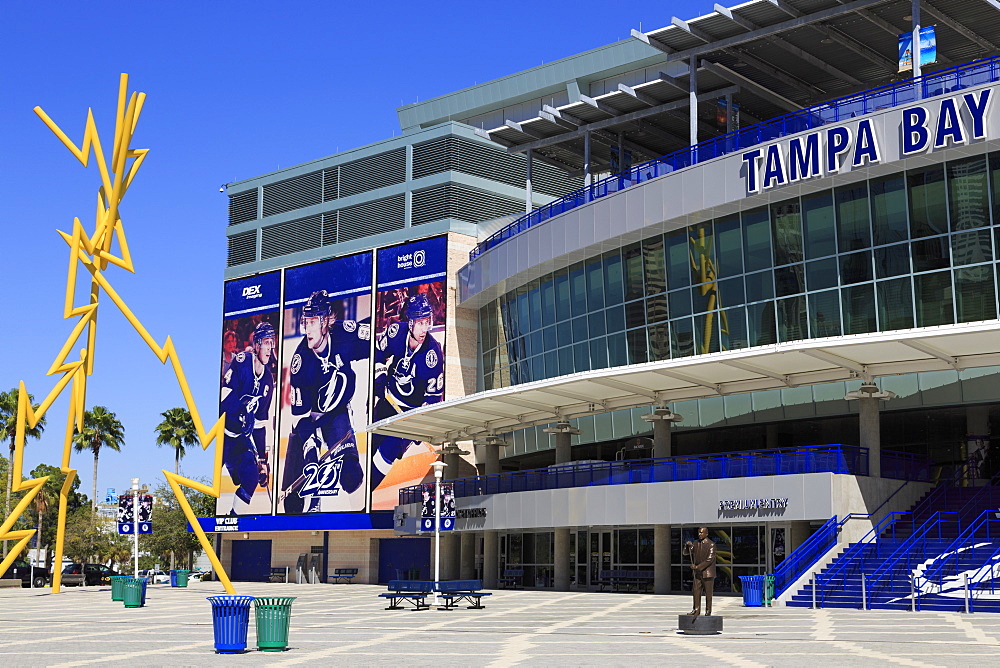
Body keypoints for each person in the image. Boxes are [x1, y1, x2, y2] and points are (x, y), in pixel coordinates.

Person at [280, 290, 370, 513]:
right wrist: (311, 450)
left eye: (313, 321)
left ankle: (360, 520)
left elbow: (377, 341)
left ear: (327, 321)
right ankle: (311, 505)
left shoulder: (345, 335)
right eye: (306, 322)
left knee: (351, 474)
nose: (308, 329)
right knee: (291, 505)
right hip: (307, 424)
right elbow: (302, 417)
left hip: (337, 415)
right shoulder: (301, 361)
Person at [369, 293, 445, 489]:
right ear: (409, 323)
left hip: (409, 416)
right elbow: (378, 352)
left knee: (388, 450)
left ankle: (367, 494)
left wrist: (420, 426)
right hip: (388, 401)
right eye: (419, 322)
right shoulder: (395, 333)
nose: (424, 328)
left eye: (427, 321)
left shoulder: (433, 354)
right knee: (371, 445)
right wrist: (379, 377)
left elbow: (434, 398)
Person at [220, 321, 276, 515]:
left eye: (272, 343)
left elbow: (260, 424)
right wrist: (242, 413)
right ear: (257, 344)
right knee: (206, 479)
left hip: (239, 441)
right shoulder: (243, 361)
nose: (269, 348)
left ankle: (232, 520)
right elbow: (224, 394)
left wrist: (262, 459)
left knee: (251, 476)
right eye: (266, 342)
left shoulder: (268, 380)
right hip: (221, 436)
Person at [683, 527, 717, 618]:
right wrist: (687, 546)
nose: (699, 534)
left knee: (708, 593)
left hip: (707, 573)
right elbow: (686, 553)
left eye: (701, 532)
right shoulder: (696, 543)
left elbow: (709, 560)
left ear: (706, 533)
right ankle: (696, 609)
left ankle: (708, 610)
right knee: (696, 591)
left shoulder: (711, 544)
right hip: (697, 573)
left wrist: (697, 567)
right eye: (699, 532)